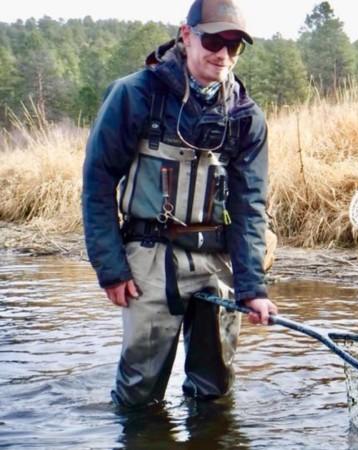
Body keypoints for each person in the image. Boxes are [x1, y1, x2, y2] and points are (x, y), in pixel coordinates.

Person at [82, 0, 275, 408]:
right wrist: (111, 269)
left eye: (235, 45)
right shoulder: (134, 95)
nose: (222, 53)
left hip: (217, 261)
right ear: (186, 36)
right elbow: (98, 184)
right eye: (213, 40)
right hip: (149, 258)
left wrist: (252, 285)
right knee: (139, 394)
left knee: (215, 393)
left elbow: (250, 205)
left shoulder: (246, 115)